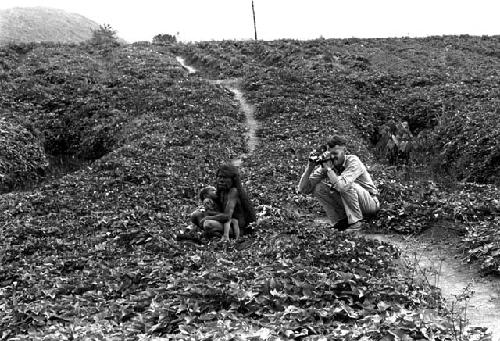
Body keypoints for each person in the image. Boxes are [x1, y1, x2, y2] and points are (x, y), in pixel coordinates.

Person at [297, 135, 380, 231]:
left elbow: (342, 186)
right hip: (350, 202)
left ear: (345, 151)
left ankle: (356, 223)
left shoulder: (353, 161)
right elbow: (303, 189)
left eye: (335, 153)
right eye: (330, 153)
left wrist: (329, 169)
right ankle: (341, 221)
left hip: (369, 203)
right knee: (318, 188)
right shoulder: (329, 163)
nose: (332, 157)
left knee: (345, 184)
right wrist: (310, 167)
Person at [202, 164, 256, 240]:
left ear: (232, 180)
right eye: (220, 177)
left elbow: (227, 217)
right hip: (226, 224)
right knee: (196, 216)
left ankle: (226, 236)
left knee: (208, 224)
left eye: (225, 178)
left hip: (237, 229)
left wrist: (209, 217)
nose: (221, 180)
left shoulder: (233, 191)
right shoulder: (222, 191)